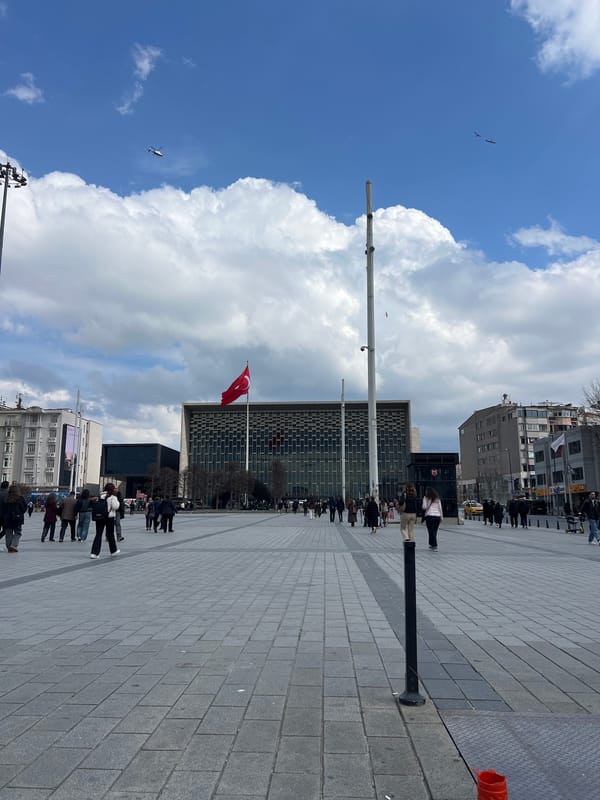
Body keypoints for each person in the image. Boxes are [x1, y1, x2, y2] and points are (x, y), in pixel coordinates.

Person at [89, 483, 120, 559]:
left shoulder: (100, 495)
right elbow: (115, 507)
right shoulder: (112, 497)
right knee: (110, 534)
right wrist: (117, 500)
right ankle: (113, 550)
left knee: (98, 534)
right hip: (109, 517)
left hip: (99, 517)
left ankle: (94, 553)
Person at [0, 484, 27, 552]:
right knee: (18, 532)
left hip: (7, 518)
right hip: (17, 518)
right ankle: (13, 545)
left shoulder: (6, 498)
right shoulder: (20, 498)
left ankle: (9, 546)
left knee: (8, 532)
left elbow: (3, 509)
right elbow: (24, 508)